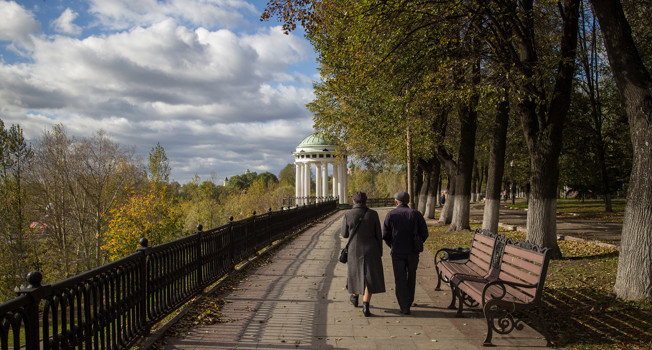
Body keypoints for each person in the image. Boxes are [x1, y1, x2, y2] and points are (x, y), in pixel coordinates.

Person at [382, 191, 428, 315]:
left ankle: (404, 306)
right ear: (408, 201)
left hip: (397, 251)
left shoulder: (390, 215)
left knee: (400, 278)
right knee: (411, 276)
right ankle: (409, 300)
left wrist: (392, 244)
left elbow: (385, 235)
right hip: (413, 252)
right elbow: (425, 233)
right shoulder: (416, 214)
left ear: (396, 202)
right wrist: (418, 242)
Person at [341, 191, 385, 317]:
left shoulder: (348, 214)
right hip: (371, 250)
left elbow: (344, 234)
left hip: (354, 251)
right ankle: (366, 305)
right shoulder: (373, 214)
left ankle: (355, 298)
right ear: (366, 201)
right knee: (369, 277)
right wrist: (380, 252)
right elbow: (378, 234)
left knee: (355, 274)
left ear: (353, 201)